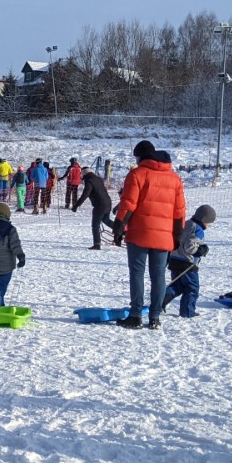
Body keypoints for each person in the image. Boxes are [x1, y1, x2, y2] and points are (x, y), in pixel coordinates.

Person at [113, 140, 185, 330]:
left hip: (139, 233)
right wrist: (178, 236)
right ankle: (155, 317)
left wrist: (119, 228)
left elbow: (128, 204)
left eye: (136, 157)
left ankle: (135, 315)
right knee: (159, 276)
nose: (135, 161)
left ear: (141, 156)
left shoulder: (137, 174)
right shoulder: (174, 178)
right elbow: (179, 211)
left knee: (137, 273)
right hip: (164, 236)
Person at [162, 205, 215, 318]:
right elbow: (190, 247)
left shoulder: (186, 223)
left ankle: (160, 302)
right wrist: (200, 250)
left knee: (178, 286)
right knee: (192, 288)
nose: (209, 226)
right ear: (204, 219)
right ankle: (187, 312)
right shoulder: (198, 229)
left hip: (174, 259)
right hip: (187, 264)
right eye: (209, 223)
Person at [73, 167, 117, 250]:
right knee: (106, 220)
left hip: (99, 205)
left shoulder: (89, 181)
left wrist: (76, 205)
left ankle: (97, 244)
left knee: (95, 225)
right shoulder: (98, 178)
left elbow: (85, 194)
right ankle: (121, 230)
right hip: (108, 202)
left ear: (84, 173)